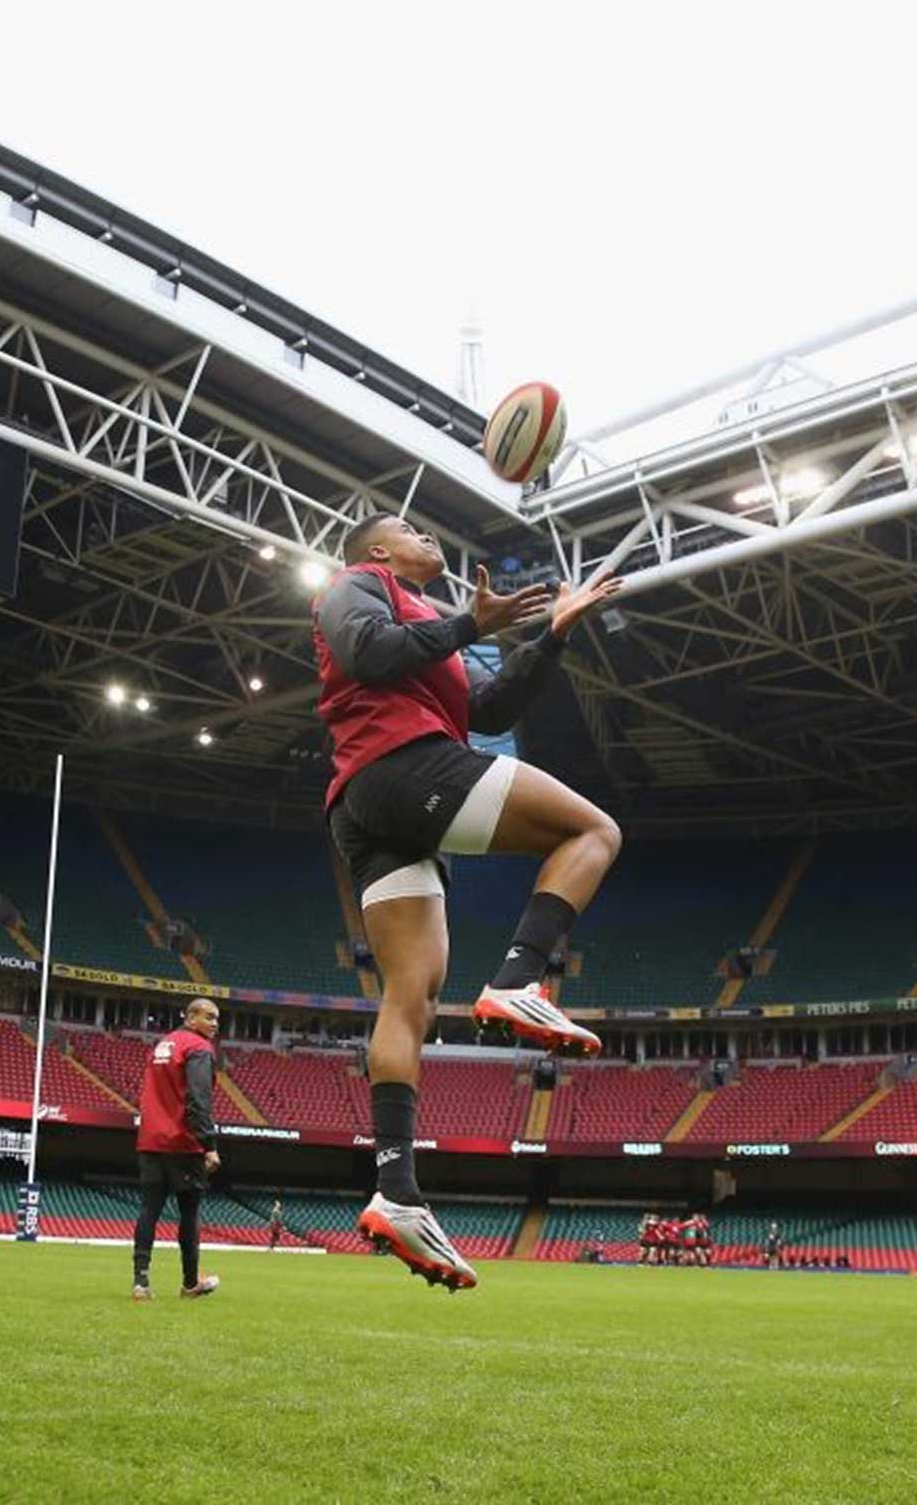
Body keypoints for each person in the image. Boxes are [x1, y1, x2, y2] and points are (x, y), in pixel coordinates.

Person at [312, 513, 624, 1292]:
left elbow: (487, 711)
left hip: (372, 805)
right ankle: (519, 978)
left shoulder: (428, 622)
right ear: (379, 549)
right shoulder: (357, 584)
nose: (429, 537)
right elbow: (366, 653)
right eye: (413, 529)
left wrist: (549, 635)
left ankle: (398, 1190)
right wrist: (466, 623)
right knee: (593, 830)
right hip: (399, 770)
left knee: (411, 995)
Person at [132, 998, 222, 1301]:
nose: (214, 1024)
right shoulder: (198, 1048)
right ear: (191, 1016)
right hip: (183, 1142)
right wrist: (208, 1145)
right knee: (189, 1212)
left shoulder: (163, 1045)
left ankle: (140, 1283)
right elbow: (199, 1100)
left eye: (216, 1019)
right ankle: (189, 1283)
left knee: (149, 1211)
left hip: (150, 1140)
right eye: (208, 1017)